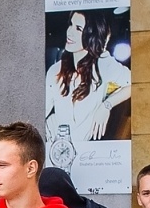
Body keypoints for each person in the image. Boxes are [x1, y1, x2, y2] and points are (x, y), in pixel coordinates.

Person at [44, 9, 131, 174]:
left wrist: (106, 106)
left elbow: (133, 84)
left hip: (87, 161)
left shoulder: (104, 66)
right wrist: (48, 121)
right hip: (56, 155)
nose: (69, 31)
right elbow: (43, 111)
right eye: (70, 25)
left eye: (78, 28)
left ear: (91, 35)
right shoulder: (55, 70)